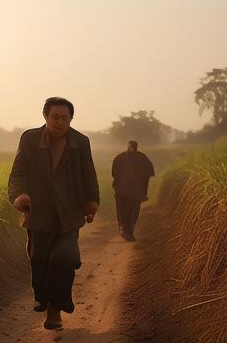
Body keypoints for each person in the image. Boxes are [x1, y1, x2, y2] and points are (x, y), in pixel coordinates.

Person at [8, 97, 99, 330]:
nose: (60, 122)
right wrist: (19, 196)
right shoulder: (29, 139)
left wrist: (91, 202)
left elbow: (89, 174)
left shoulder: (80, 141)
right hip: (39, 212)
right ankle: (43, 298)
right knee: (39, 259)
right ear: (45, 117)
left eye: (65, 118)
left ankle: (55, 309)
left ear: (71, 120)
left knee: (64, 258)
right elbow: (18, 174)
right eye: (55, 117)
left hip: (69, 212)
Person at [111, 140, 155, 241]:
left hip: (124, 191)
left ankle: (127, 231)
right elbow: (149, 174)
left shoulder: (119, 158)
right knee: (131, 212)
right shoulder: (142, 158)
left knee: (126, 212)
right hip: (132, 192)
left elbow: (113, 174)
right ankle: (126, 231)